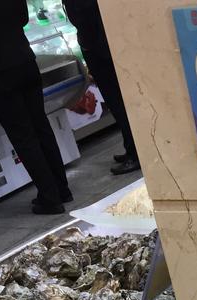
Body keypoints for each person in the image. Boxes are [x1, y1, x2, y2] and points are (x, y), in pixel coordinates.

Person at [0, 0, 72, 214]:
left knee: (24, 136)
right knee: (41, 126)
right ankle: (62, 189)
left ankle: (50, 198)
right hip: (25, 60)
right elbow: (22, 17)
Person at [63, 0, 140, 175]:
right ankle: (133, 148)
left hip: (100, 48)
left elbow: (84, 17)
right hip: (105, 44)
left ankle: (135, 154)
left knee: (119, 103)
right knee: (120, 103)